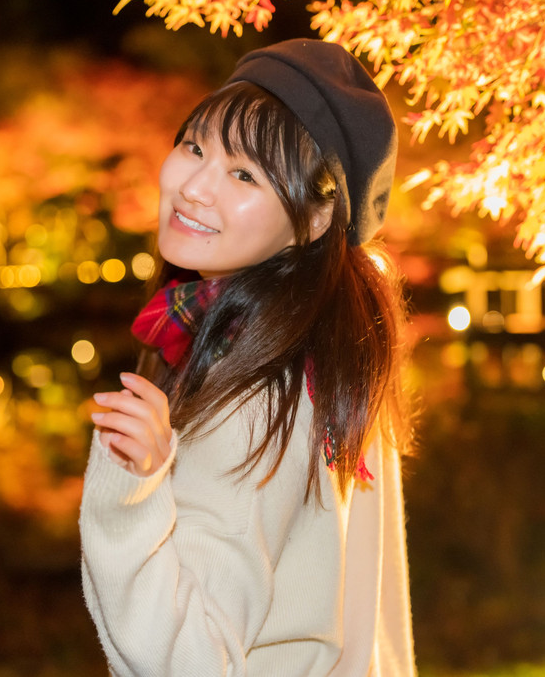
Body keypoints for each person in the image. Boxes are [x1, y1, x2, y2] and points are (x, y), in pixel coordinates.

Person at [79, 38, 416, 676]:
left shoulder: (261, 394)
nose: (194, 187)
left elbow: (191, 661)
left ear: (316, 220)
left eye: (244, 174)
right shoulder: (328, 354)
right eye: (195, 146)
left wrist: (131, 488)